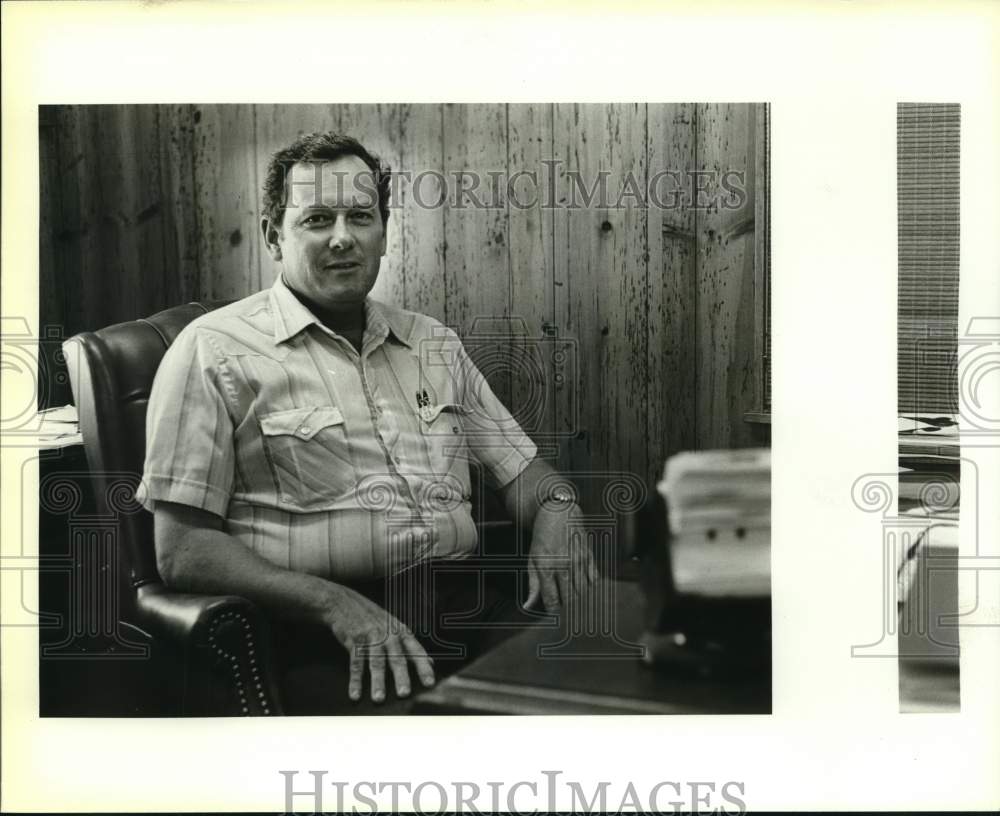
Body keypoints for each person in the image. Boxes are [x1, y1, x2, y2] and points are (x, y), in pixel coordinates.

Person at [137, 132, 599, 713]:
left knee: (599, 698)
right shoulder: (212, 350)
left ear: (384, 233)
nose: (342, 238)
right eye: (316, 219)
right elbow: (183, 550)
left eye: (360, 216)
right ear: (273, 235)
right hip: (319, 631)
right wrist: (330, 603)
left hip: (467, 605)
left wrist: (559, 506)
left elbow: (524, 471)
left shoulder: (432, 341)